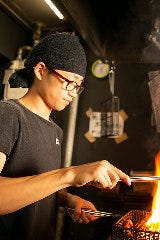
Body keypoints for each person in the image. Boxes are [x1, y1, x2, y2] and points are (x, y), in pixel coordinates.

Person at [0, 32, 131, 240]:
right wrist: (69, 175)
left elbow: (38, 185)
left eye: (78, 86)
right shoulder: (8, 114)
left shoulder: (55, 130)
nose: (72, 92)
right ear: (41, 70)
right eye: (69, 81)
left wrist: (68, 200)